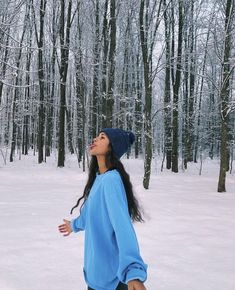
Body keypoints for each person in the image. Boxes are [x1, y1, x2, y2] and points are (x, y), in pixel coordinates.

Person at [58, 128, 148, 290]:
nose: (95, 139)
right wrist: (74, 225)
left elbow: (123, 228)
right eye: (97, 136)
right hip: (96, 275)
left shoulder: (111, 180)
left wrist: (133, 272)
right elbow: (90, 215)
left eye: (102, 137)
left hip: (111, 279)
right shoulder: (100, 179)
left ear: (111, 147)